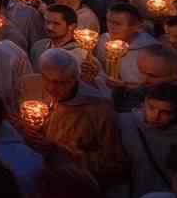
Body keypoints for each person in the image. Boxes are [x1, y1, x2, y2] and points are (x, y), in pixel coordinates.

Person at [17, 48, 125, 184]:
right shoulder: (33, 89)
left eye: (59, 82)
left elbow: (113, 163)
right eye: (46, 79)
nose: (51, 88)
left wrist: (59, 152)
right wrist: (25, 129)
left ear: (74, 79)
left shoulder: (98, 109)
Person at [30, 4, 86, 72]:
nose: (49, 27)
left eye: (56, 23)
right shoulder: (38, 46)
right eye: (47, 22)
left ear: (71, 26)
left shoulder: (80, 55)